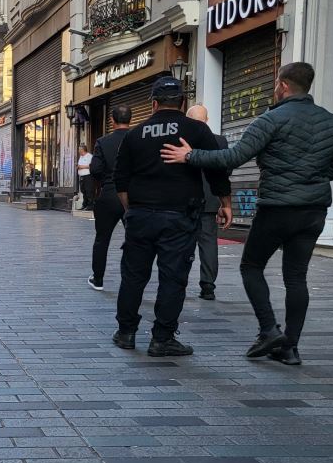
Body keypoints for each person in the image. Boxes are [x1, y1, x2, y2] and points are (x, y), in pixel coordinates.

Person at [162, 62, 333, 366]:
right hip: (313, 210)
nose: (275, 88)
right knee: (296, 277)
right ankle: (290, 346)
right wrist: (308, 176)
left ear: (285, 85)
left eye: (277, 83)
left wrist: (190, 155)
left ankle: (268, 330)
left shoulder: (271, 120)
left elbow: (233, 157)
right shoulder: (332, 122)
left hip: (277, 207)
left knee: (251, 266)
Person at [112, 76, 232, 357]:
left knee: (133, 276)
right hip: (179, 216)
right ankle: (162, 338)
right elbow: (217, 170)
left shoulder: (135, 133)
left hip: (141, 215)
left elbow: (121, 180)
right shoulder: (197, 130)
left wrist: (131, 211)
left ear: (153, 103)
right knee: (173, 278)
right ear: (182, 102)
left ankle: (126, 332)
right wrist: (225, 202)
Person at [185, 105, 229, 301]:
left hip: (184, 200)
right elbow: (225, 171)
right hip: (210, 200)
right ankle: (208, 286)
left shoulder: (180, 140)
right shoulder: (219, 141)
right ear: (207, 119)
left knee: (181, 243)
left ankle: (178, 281)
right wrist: (223, 200)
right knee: (209, 243)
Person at [87, 106, 133, 291]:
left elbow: (95, 169)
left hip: (110, 194)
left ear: (112, 121)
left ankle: (98, 278)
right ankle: (130, 279)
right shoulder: (137, 138)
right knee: (134, 239)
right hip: (133, 196)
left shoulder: (103, 142)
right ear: (130, 119)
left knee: (102, 238)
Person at [77, 145, 94, 210]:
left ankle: (90, 205)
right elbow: (80, 165)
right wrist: (78, 167)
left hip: (88, 176)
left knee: (88, 191)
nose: (78, 151)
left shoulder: (90, 156)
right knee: (83, 191)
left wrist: (81, 167)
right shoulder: (81, 157)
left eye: (79, 149)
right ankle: (84, 205)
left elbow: (91, 166)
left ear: (83, 150)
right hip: (81, 176)